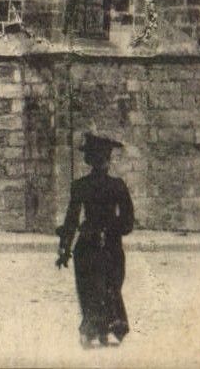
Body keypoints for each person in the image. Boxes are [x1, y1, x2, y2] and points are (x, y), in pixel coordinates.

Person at [57, 133, 135, 348]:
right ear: (108, 161)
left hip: (87, 244)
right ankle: (111, 326)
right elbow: (128, 222)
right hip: (111, 245)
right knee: (111, 286)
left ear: (88, 161)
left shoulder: (80, 186)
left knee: (89, 287)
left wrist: (64, 250)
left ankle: (94, 328)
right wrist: (110, 229)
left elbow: (71, 221)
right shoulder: (118, 186)